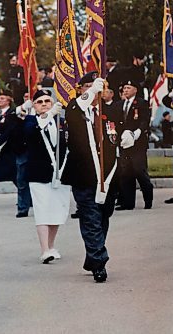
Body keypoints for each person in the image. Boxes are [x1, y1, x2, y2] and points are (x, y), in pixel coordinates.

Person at [61, 71, 119, 283]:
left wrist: (129, 135)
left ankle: (92, 256)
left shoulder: (109, 111)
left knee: (103, 217)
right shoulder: (75, 110)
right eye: (88, 86)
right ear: (82, 89)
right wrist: (91, 91)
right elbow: (77, 107)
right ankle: (99, 262)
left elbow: (117, 135)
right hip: (84, 176)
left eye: (98, 86)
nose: (94, 90)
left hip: (108, 176)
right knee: (91, 219)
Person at [23, 90, 70, 263]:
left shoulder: (62, 122)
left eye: (47, 101)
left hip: (60, 173)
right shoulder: (30, 121)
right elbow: (30, 133)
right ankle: (44, 249)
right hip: (39, 173)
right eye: (39, 102)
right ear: (34, 105)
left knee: (56, 210)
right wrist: (49, 114)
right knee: (42, 210)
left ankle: (50, 246)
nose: (44, 104)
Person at [115, 79, 153, 210]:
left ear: (135, 90)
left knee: (139, 170)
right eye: (124, 88)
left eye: (128, 88)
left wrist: (137, 133)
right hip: (124, 143)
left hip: (138, 143)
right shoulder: (120, 104)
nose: (125, 90)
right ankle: (128, 202)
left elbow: (144, 120)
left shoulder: (141, 103)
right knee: (125, 173)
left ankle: (148, 200)